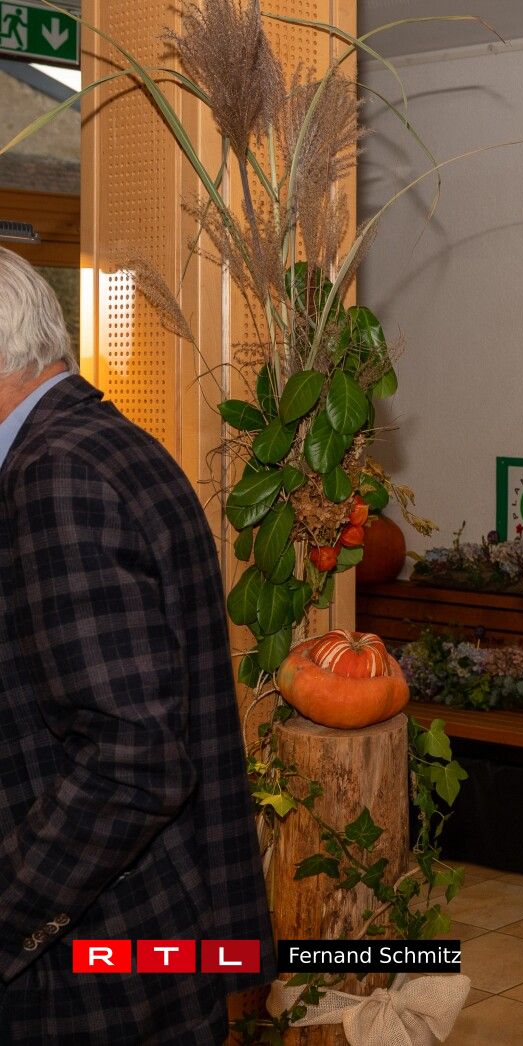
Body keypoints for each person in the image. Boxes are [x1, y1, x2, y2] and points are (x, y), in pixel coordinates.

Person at [0, 246, 274, 1042]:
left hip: (90, 966)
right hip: (147, 935)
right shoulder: (105, 441)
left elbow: (131, 760)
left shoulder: (56, 475)